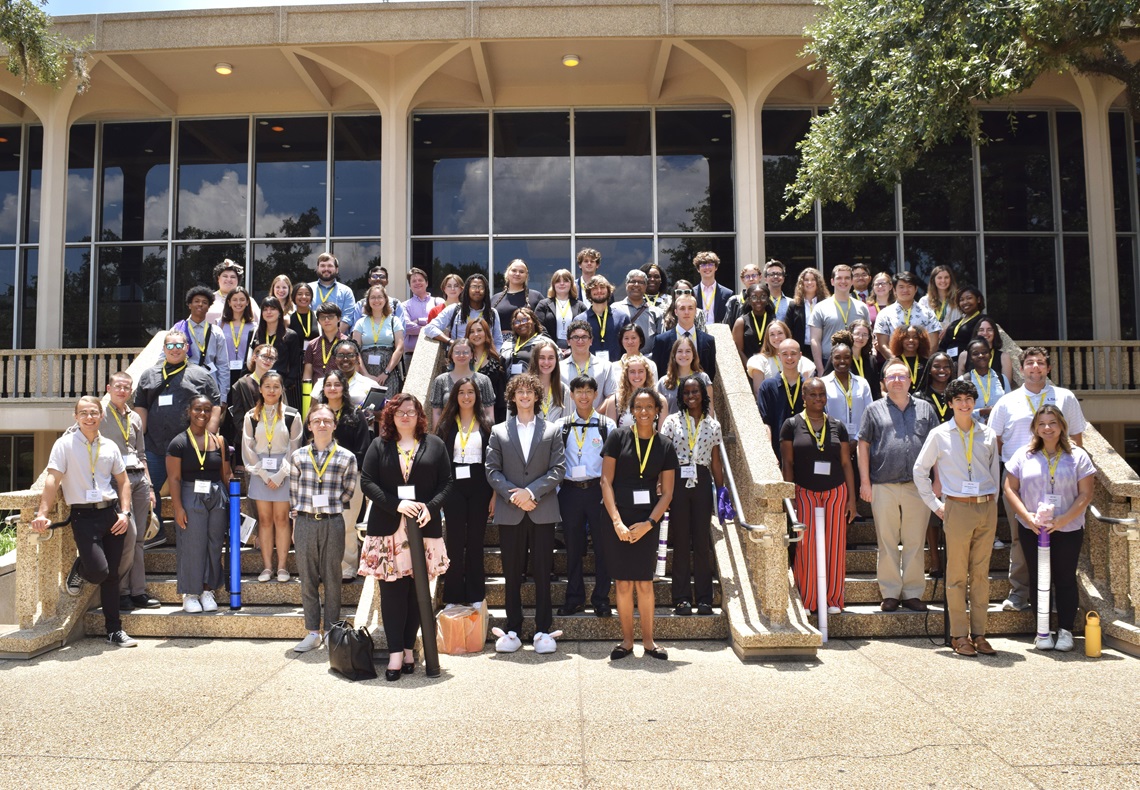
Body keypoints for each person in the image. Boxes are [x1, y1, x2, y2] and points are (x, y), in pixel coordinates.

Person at [31, 396, 137, 647]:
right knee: (100, 571)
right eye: (84, 413)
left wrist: (125, 513)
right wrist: (42, 513)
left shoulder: (110, 446)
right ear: (76, 417)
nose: (89, 417)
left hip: (111, 515)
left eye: (94, 412)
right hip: (83, 516)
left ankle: (114, 630)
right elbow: (52, 480)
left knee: (112, 577)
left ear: (101, 416)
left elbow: (123, 482)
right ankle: (79, 570)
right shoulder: (64, 444)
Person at [987, 346, 1086, 612]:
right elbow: (994, 442)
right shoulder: (1007, 402)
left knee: (1060, 536)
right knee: (1022, 536)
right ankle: (1019, 593)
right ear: (1021, 370)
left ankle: (1054, 596)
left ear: (1048, 368)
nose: (1035, 368)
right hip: (1020, 479)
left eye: (1040, 363)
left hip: (1061, 479)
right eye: (1030, 363)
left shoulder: (1064, 397)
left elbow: (1076, 438)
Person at [359, 394, 450, 678]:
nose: (406, 417)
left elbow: (447, 483)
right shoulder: (379, 445)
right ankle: (395, 653)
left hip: (423, 529)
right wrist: (396, 503)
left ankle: (410, 649)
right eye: (400, 413)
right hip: (388, 530)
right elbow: (367, 482)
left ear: (419, 415)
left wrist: (430, 508)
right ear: (391, 417)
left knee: (416, 591)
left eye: (411, 412)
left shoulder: (435, 445)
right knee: (391, 592)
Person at [912, 379, 1002, 657]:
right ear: (950, 404)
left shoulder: (987, 434)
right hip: (957, 508)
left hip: (985, 506)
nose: (965, 404)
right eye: (959, 399)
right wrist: (936, 505)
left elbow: (994, 473)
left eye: (969, 399)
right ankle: (959, 635)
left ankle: (980, 633)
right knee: (956, 575)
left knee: (981, 574)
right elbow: (919, 470)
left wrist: (992, 503)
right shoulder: (940, 434)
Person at [1003, 405, 1096, 652]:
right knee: (1039, 578)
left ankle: (1065, 631)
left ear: (1062, 426)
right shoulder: (1024, 454)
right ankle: (1042, 630)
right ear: (1035, 427)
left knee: (1065, 578)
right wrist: (1027, 516)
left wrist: (1063, 519)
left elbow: (1086, 493)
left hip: (1068, 528)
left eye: (1053, 422)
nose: (1047, 428)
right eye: (1042, 423)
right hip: (1032, 528)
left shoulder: (1077, 455)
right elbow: (1009, 488)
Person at [486, 373, 566, 654]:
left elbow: (558, 469)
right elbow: (492, 470)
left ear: (536, 396)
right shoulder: (498, 431)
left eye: (529, 392)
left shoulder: (552, 430)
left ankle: (544, 630)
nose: (524, 396)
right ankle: (513, 629)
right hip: (511, 512)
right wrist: (515, 496)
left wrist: (530, 493)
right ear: (512, 397)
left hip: (541, 510)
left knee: (543, 573)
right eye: (518, 392)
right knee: (511, 574)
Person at [600, 387, 678, 661]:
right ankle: (626, 641)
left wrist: (648, 523)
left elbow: (667, 493)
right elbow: (605, 481)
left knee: (645, 583)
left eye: (649, 407)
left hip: (648, 520)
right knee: (622, 584)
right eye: (639, 407)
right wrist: (617, 522)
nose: (644, 412)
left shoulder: (666, 445)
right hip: (617, 519)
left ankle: (649, 642)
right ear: (631, 410)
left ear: (658, 411)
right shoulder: (618, 437)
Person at [857, 358, 939, 613]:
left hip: (919, 486)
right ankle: (890, 592)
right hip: (883, 484)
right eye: (891, 377)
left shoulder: (925, 409)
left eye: (902, 376)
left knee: (915, 541)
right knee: (887, 540)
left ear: (910, 380)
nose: (897, 381)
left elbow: (938, 446)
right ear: (883, 382)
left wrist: (938, 481)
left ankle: (913, 593)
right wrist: (865, 483)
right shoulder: (873, 410)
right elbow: (863, 446)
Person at [781, 378, 857, 614]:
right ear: (803, 397)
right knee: (806, 546)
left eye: (822, 395)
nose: (818, 399)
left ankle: (833, 599)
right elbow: (788, 463)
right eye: (813, 395)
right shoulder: (791, 425)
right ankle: (809, 599)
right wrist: (790, 496)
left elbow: (846, 464)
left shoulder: (837, 425)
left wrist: (852, 499)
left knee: (834, 546)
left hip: (835, 491)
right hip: (804, 491)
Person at [289, 403, 359, 654]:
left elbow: (348, 491)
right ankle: (312, 632)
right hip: (306, 521)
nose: (322, 424)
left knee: (333, 577)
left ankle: (330, 630)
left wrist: (328, 505)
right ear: (309, 425)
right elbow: (294, 495)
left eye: (327, 421)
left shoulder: (347, 457)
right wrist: (295, 523)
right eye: (317, 420)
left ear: (334, 424)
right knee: (307, 577)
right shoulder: (298, 456)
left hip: (332, 521)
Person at [134, 330, 222, 531]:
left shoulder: (200, 374)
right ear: (164, 349)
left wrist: (209, 434)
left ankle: (192, 529)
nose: (175, 350)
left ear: (187, 348)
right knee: (149, 489)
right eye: (170, 346)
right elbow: (141, 407)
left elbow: (215, 404)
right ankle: (155, 532)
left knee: (189, 488)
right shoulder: (149, 375)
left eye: (179, 345)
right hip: (155, 445)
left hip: (189, 447)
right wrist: (138, 439)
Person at [661, 376, 724, 616]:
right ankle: (682, 598)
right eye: (686, 393)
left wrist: (722, 491)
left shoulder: (713, 425)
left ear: (702, 394)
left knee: (701, 542)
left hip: (702, 480)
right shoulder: (671, 421)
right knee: (681, 541)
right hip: (677, 480)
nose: (690, 396)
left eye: (695, 391)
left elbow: (716, 462)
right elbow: (664, 456)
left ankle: (705, 598)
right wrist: (662, 485)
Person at [557, 375, 617, 618]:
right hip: (570, 492)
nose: (583, 396)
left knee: (603, 547)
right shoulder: (561, 426)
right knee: (573, 548)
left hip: (598, 491)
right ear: (571, 395)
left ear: (595, 394)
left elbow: (613, 462)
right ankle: (574, 598)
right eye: (578, 391)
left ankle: (602, 599)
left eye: (588, 391)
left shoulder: (607, 426)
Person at [166, 394, 232, 614]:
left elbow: (224, 472)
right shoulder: (178, 442)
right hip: (190, 493)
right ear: (189, 412)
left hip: (216, 494)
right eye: (197, 409)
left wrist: (230, 502)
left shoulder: (218, 441)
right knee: (194, 544)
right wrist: (177, 508)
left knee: (214, 543)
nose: (202, 414)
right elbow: (174, 478)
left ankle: (207, 589)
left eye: (206, 410)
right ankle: (191, 593)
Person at [99, 372, 160, 612]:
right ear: (109, 388)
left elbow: (141, 454)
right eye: (118, 387)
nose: (122, 391)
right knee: (127, 535)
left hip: (139, 480)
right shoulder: (100, 414)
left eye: (127, 388)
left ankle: (138, 591)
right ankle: (121, 591)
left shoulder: (134, 417)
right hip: (117, 481)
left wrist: (151, 485)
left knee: (140, 539)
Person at [436, 378, 495, 609]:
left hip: (480, 485)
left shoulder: (487, 424)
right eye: (462, 392)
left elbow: (493, 463)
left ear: (477, 396)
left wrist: (494, 495)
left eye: (471, 392)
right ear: (455, 396)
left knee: (475, 541)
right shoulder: (446, 424)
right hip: (454, 486)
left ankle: (476, 594)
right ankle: (452, 596)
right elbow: (440, 462)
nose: (467, 396)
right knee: (455, 540)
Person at [310, 370, 373, 582]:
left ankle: (347, 567)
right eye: (329, 385)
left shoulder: (355, 415)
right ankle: (324, 568)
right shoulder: (316, 415)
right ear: (323, 389)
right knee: (323, 525)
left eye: (337, 385)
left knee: (346, 524)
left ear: (344, 389)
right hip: (321, 479)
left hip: (350, 478)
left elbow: (364, 449)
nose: (333, 389)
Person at [242, 371, 303, 584]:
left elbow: (294, 447)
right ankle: (267, 567)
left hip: (284, 472)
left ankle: (283, 566)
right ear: (260, 389)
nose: (271, 391)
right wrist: (264, 473)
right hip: (260, 472)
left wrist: (280, 474)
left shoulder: (292, 415)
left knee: (282, 520)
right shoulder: (251, 415)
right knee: (265, 520)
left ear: (282, 390)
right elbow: (248, 447)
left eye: (276, 387)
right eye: (267, 386)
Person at [809, 264, 871, 374]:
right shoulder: (820, 307)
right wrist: (820, 369)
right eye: (839, 278)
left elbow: (868, 335)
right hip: (829, 361)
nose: (843, 281)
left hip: (857, 362)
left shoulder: (862, 307)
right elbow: (815, 340)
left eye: (847, 278)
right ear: (832, 281)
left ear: (852, 281)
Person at [174, 285, 231, 404]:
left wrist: (223, 397)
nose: (200, 304)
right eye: (196, 301)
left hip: (210, 381)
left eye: (204, 302)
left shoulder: (216, 331)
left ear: (209, 307)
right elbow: (164, 356)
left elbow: (223, 365)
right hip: (185, 379)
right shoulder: (178, 329)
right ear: (189, 305)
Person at [424, 272, 504, 349]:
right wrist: (451, 342)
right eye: (473, 286)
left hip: (485, 360)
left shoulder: (492, 313)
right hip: (461, 358)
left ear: (486, 290)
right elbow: (429, 328)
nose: (477, 290)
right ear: (467, 290)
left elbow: (498, 341)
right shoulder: (454, 309)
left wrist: (494, 358)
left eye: (481, 287)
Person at [873, 271, 942, 359]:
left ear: (916, 289)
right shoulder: (884, 314)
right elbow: (882, 344)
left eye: (909, 286)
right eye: (901, 287)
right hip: (895, 366)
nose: (905, 290)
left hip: (922, 364)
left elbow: (934, 342)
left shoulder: (928, 313)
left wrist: (925, 362)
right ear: (894, 290)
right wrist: (896, 363)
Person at [352, 284, 405, 396]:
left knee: (387, 406)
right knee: (365, 406)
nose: (376, 300)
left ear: (385, 300)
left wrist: (386, 372)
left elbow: (399, 348)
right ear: (368, 301)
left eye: (380, 297)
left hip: (388, 371)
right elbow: (355, 350)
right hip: (365, 370)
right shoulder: (360, 322)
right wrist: (366, 375)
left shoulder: (394, 321)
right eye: (373, 297)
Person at [226, 342, 278, 455]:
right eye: (264, 356)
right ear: (254, 357)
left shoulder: (277, 383)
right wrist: (251, 438)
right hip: (249, 442)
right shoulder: (241, 384)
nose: (268, 360)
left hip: (274, 440)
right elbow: (238, 418)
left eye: (272, 358)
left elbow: (282, 411)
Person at [651, 291, 717, 381]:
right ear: (676, 312)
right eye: (682, 308)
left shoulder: (708, 340)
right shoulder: (661, 340)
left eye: (690, 308)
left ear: (696, 311)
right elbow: (657, 370)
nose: (686, 312)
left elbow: (711, 372)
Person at [757, 339, 808, 455]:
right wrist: (769, 454)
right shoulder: (767, 387)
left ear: (800, 355)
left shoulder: (809, 387)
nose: (789, 358)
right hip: (777, 451)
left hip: (804, 452)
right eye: (785, 354)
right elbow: (765, 422)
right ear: (779, 356)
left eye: (793, 354)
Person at [429, 338, 495, 426]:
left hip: (476, 431)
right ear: (451, 355)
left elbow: (488, 411)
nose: (461, 355)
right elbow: (437, 412)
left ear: (472, 355)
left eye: (466, 352)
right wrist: (437, 436)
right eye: (457, 352)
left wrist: (489, 433)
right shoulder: (440, 380)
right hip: (447, 432)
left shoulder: (483, 380)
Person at [252, 296, 302, 407]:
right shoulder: (255, 334)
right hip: (257, 384)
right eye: (265, 309)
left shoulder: (290, 335)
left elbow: (295, 364)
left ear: (280, 312)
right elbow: (250, 359)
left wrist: (285, 385)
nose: (268, 312)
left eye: (272, 309)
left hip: (280, 386)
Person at [745, 319, 813, 399]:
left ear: (786, 335)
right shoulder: (759, 361)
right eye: (772, 334)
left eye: (780, 333)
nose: (776, 337)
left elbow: (806, 392)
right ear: (768, 338)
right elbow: (758, 393)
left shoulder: (802, 361)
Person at [823, 341, 873, 445]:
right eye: (837, 357)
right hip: (832, 441)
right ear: (831, 359)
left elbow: (869, 414)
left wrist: (857, 439)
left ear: (851, 359)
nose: (842, 361)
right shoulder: (823, 383)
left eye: (846, 357)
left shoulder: (862, 383)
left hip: (860, 441)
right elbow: (822, 414)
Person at [560, 320, 615, 411]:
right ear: (568, 341)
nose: (580, 341)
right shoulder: (559, 368)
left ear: (591, 341)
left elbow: (611, 396)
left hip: (596, 423)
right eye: (576, 337)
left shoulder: (605, 366)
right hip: (567, 423)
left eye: (584, 337)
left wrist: (592, 417)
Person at [575, 276, 630, 363]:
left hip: (617, 368)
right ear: (589, 292)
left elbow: (628, 346)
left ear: (609, 291)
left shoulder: (622, 317)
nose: (599, 291)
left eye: (602, 287)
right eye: (595, 288)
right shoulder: (580, 320)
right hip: (589, 369)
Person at [312, 339, 379, 408]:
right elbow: (312, 411)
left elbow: (379, 413)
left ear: (357, 358)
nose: (345, 359)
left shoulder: (370, 385)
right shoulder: (321, 383)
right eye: (341, 355)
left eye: (350, 355)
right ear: (334, 359)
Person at [464, 316, 507, 423]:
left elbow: (502, 396)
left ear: (486, 333)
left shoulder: (497, 361)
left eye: (479, 330)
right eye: (472, 331)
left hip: (491, 414)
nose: (476, 334)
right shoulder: (462, 359)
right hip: (465, 413)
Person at [657, 335, 713, 416]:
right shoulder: (663, 382)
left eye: (688, 351)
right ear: (674, 355)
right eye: (680, 351)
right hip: (672, 428)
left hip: (699, 428)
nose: (684, 355)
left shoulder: (703, 378)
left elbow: (710, 408)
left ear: (693, 355)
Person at [614, 268, 664, 358]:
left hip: (648, 361)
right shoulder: (615, 309)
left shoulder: (656, 312)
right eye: (632, 281)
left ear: (645, 286)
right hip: (621, 361)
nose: (636, 285)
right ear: (626, 284)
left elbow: (660, 342)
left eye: (641, 282)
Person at [535, 268, 587, 352]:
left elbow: (586, 328)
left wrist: (572, 348)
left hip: (575, 349)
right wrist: (552, 346)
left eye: (566, 281)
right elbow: (538, 326)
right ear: (553, 284)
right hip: (548, 349)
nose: (562, 284)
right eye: (558, 281)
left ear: (571, 284)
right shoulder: (543, 305)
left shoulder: (580, 305)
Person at [603, 353, 660, 429]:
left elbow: (663, 436)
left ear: (647, 373)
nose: (637, 375)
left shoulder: (660, 400)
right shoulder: (614, 401)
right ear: (626, 374)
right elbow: (610, 435)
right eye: (632, 372)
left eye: (641, 371)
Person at [491, 259, 544, 340]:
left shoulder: (535, 297)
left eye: (521, 272)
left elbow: (542, 325)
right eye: (514, 270)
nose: (517, 274)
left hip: (528, 344)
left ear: (526, 276)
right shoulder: (495, 299)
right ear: (507, 273)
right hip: (498, 344)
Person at [785, 267, 829, 361]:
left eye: (813, 280)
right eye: (806, 280)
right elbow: (788, 330)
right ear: (801, 283)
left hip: (823, 349)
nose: (810, 283)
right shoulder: (794, 305)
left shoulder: (826, 303)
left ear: (818, 283)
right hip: (801, 350)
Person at [302, 302, 348, 388]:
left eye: (330, 316)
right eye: (322, 317)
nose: (326, 320)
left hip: (339, 390)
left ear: (338, 318)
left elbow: (354, 370)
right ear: (318, 321)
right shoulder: (312, 344)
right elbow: (307, 373)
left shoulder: (348, 343)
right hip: (317, 392)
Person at [309, 252, 357, 333]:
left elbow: (347, 318)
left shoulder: (346, 291)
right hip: (312, 339)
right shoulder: (308, 290)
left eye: (330, 266)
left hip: (338, 341)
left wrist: (333, 338)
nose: (326, 269)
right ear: (318, 268)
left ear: (336, 269)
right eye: (323, 266)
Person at [958, 316, 1013, 387]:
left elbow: (1006, 386)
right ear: (976, 332)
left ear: (995, 332)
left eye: (989, 330)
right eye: (981, 330)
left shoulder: (1004, 357)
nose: (985, 333)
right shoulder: (964, 356)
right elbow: (959, 386)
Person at [401, 267, 442, 361]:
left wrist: (419, 321)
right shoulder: (404, 306)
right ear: (410, 286)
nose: (417, 283)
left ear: (426, 283)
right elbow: (406, 327)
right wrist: (432, 330)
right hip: (411, 355)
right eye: (414, 281)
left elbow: (442, 326)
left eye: (420, 280)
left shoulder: (438, 302)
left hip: (435, 353)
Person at [529, 338, 573, 422]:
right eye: (542, 358)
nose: (546, 362)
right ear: (535, 359)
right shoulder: (523, 388)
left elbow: (567, 425)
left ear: (556, 360)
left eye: (551, 358)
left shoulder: (563, 390)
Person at [960, 339, 1006, 421]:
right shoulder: (963, 381)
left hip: (998, 430)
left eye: (984, 352)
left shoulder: (1001, 378)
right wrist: (982, 412)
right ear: (970, 358)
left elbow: (1010, 406)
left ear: (990, 355)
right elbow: (959, 412)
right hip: (973, 431)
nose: (981, 355)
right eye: (975, 353)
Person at [206, 259, 260, 326]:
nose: (229, 279)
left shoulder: (248, 301)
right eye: (225, 276)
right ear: (218, 278)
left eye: (233, 277)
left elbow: (259, 324)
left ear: (238, 280)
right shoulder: (207, 299)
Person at [219, 286, 257, 382]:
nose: (238, 303)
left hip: (245, 372)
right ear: (229, 302)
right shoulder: (221, 324)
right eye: (234, 300)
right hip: (225, 372)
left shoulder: (254, 326)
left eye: (242, 300)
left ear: (247, 302)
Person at [731, 283, 774, 365]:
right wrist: (750, 368)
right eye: (754, 297)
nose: (758, 300)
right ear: (749, 300)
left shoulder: (773, 322)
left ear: (768, 300)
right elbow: (738, 349)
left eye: (763, 297)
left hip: (770, 368)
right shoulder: (741, 322)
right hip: (748, 368)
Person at [938, 286, 985, 359]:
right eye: (961, 300)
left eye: (969, 298)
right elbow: (943, 345)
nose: (965, 302)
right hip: (947, 365)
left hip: (968, 362)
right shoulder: (955, 323)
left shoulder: (983, 320)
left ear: (978, 299)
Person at [500, 306, 544, 375]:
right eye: (517, 322)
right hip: (509, 384)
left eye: (525, 320)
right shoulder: (507, 344)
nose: (522, 323)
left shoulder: (544, 343)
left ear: (534, 321)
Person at [692, 251, 734, 325]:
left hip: (719, 333)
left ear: (716, 268)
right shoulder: (692, 293)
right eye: (703, 265)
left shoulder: (727, 293)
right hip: (698, 333)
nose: (707, 267)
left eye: (711, 264)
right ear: (698, 269)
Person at [888, 324, 932, 393]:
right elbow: (883, 390)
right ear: (900, 340)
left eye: (915, 337)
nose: (911, 340)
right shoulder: (893, 363)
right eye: (906, 337)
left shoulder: (927, 363)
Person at [919, 264, 961, 331]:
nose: (943, 281)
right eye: (939, 278)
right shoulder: (924, 301)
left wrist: (950, 328)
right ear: (933, 280)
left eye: (946, 277)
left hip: (952, 339)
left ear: (951, 280)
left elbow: (963, 321)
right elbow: (920, 324)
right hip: (931, 339)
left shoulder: (958, 299)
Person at [848, 319, 880, 399]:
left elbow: (876, 390)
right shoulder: (840, 359)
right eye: (857, 334)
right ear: (850, 334)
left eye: (865, 334)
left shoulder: (871, 361)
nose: (860, 337)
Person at [724, 261, 763, 327]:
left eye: (754, 275)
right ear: (742, 279)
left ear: (760, 277)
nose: (751, 279)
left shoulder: (765, 299)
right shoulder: (734, 301)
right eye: (747, 276)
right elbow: (727, 327)